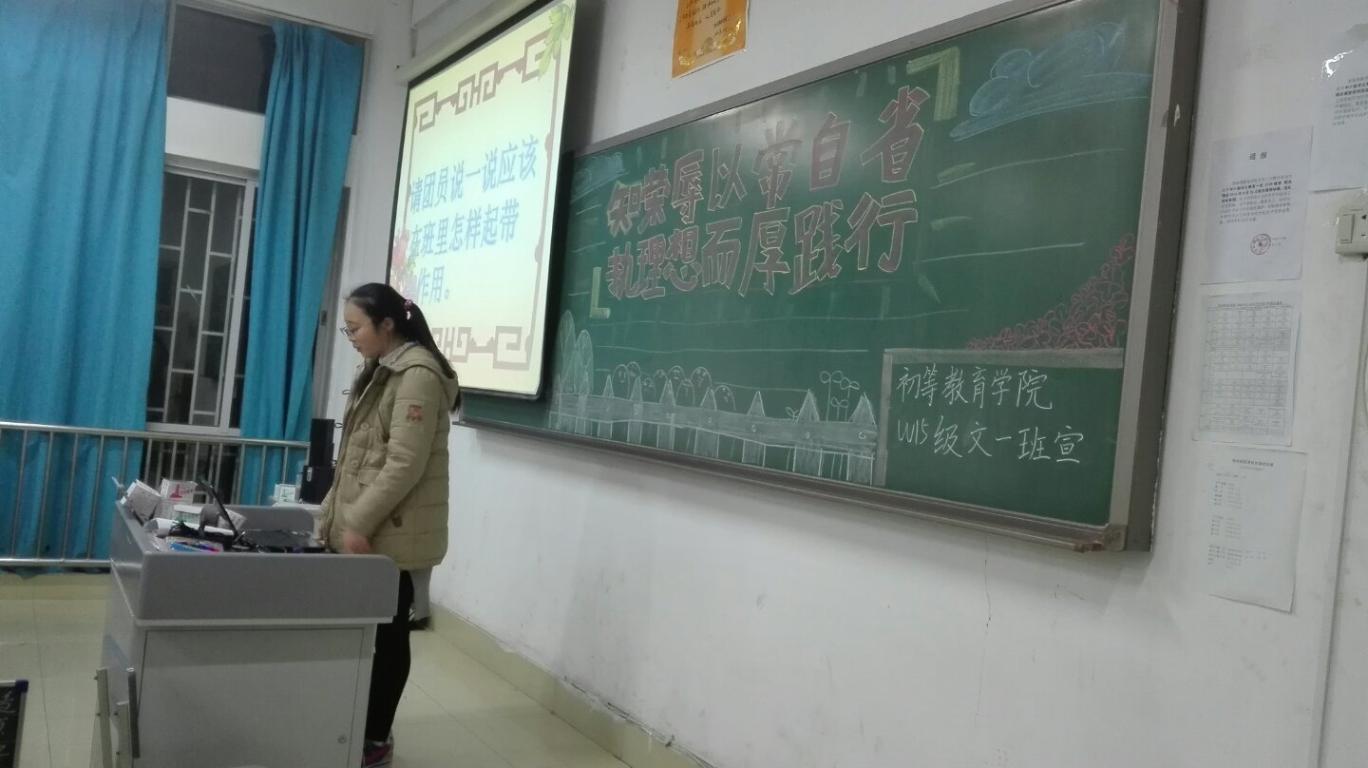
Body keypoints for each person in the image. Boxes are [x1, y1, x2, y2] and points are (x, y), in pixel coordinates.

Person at [319, 282, 460, 768]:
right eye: (346, 329)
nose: (351, 338)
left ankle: (375, 738)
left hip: (393, 535)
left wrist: (357, 521)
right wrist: (330, 515)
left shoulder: (416, 375)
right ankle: (355, 727)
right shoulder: (379, 369)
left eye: (355, 328)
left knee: (389, 637)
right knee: (368, 635)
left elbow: (404, 463)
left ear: (387, 325)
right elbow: (357, 456)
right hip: (370, 529)